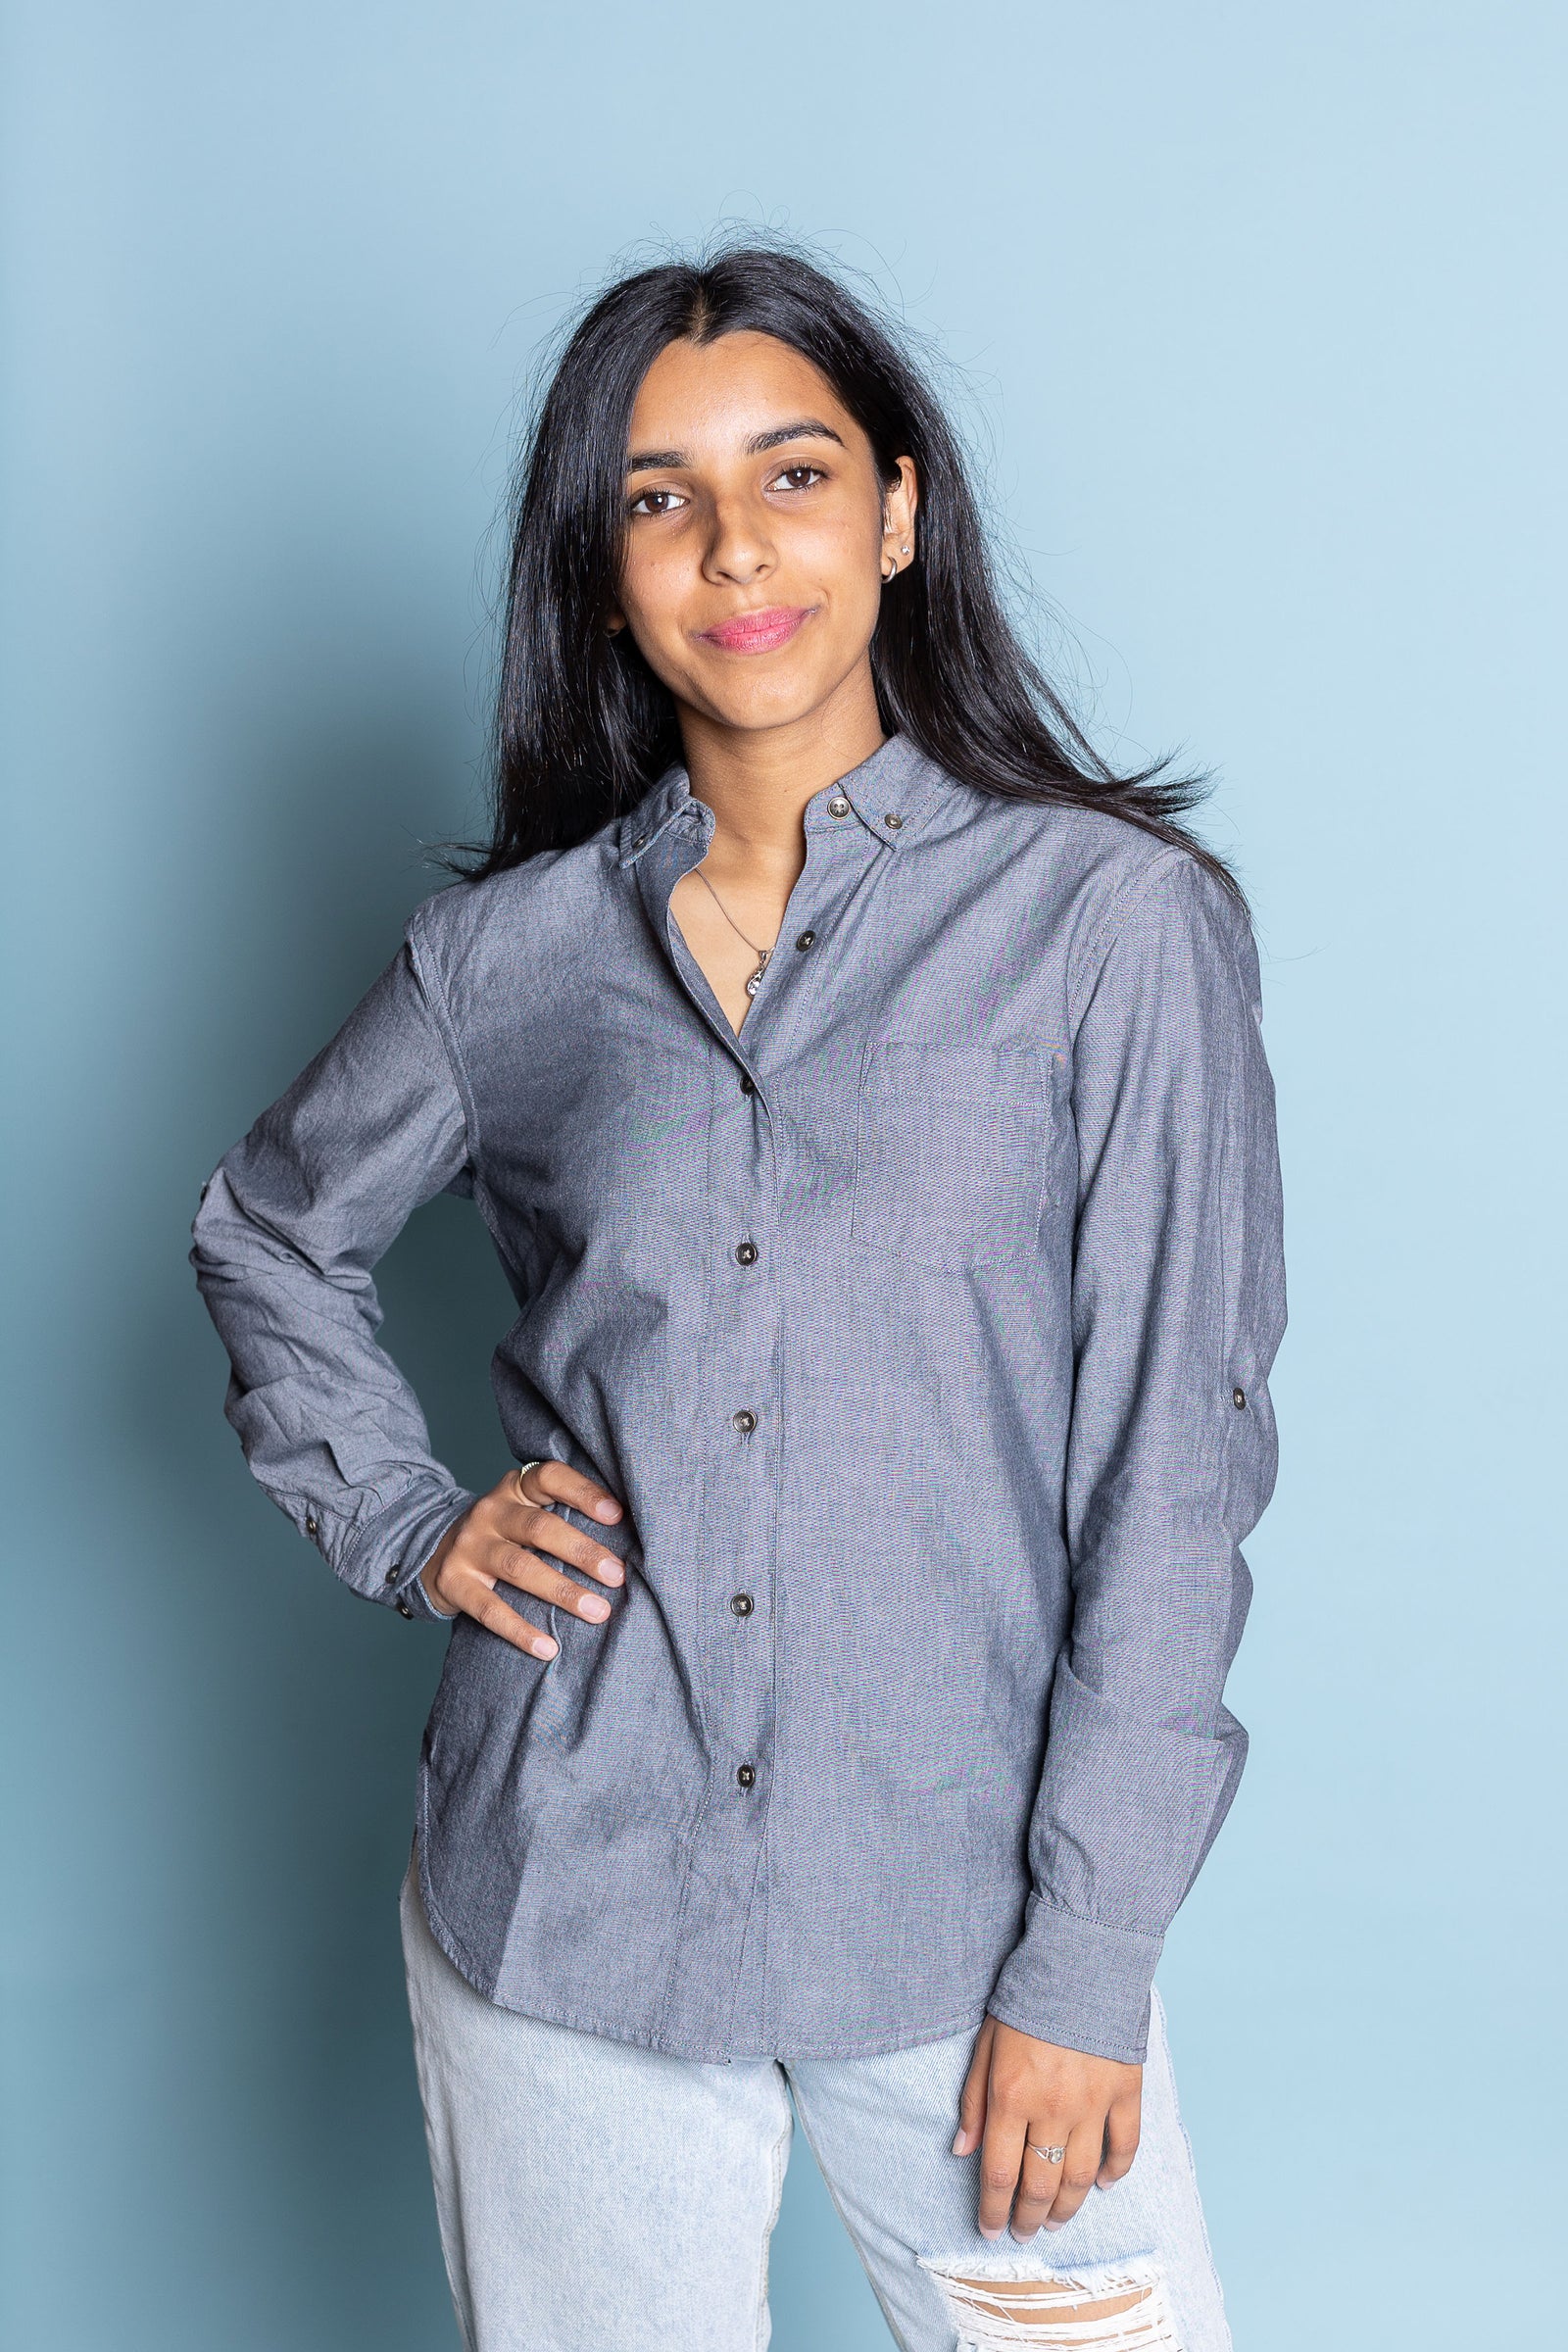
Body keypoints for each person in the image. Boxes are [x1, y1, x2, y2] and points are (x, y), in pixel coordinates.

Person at [192, 242, 1285, 2352]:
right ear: (601, 579)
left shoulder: (1109, 933)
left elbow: (1173, 1472)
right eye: (655, 498)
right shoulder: (508, 967)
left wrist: (1079, 1965)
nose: (731, 545)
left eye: (787, 476)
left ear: (891, 514)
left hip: (969, 1921)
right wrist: (416, 1525)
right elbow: (267, 1228)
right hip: (570, 1889)